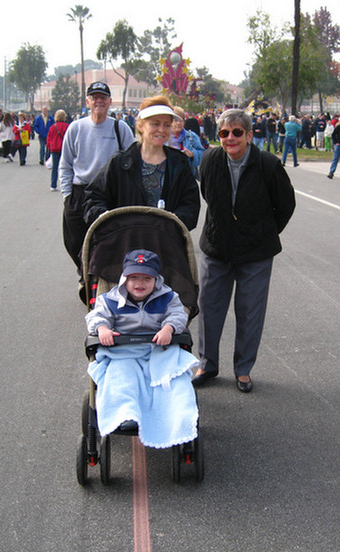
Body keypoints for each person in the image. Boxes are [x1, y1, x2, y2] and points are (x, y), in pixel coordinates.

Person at [192, 108, 296, 393]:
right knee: (210, 308)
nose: (230, 138)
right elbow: (209, 197)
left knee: (250, 312)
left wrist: (262, 234)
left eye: (237, 132)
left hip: (255, 254)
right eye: (224, 133)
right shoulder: (211, 159)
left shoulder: (268, 165)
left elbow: (285, 205)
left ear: (250, 136)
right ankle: (207, 363)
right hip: (216, 249)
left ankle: (243, 369)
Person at [86, 249, 198, 447]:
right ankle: (126, 413)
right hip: (123, 353)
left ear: (157, 279)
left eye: (147, 278)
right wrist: (102, 328)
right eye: (134, 277)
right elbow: (96, 316)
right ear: (124, 279)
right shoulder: (110, 300)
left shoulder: (168, 298)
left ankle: (175, 416)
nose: (140, 283)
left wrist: (169, 328)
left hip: (158, 351)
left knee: (173, 382)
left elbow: (179, 315)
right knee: (122, 379)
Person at [83, 96, 199, 230]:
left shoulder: (179, 163)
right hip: (126, 244)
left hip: (166, 244)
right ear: (140, 126)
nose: (161, 130)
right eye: (155, 124)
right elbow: (93, 199)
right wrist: (108, 219)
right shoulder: (120, 163)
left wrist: (177, 219)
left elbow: (191, 204)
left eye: (167, 125)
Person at [60, 81, 135, 286]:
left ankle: (96, 281)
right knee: (74, 240)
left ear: (110, 102)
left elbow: (133, 162)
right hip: (79, 192)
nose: (99, 101)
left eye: (103, 97)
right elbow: (65, 165)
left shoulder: (121, 129)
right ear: (87, 101)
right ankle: (85, 272)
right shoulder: (76, 128)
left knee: (107, 241)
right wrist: (67, 196)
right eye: (94, 97)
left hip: (108, 193)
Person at [169, 106, 205, 179]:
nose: (178, 123)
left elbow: (203, 154)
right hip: (168, 177)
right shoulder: (164, 137)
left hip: (187, 178)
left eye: (181, 120)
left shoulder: (191, 136)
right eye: (175, 120)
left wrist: (193, 154)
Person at [46, 109, 69, 191]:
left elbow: (48, 138)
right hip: (64, 149)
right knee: (65, 168)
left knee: (55, 168)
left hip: (54, 149)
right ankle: (65, 185)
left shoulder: (52, 127)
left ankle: (53, 185)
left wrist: (49, 147)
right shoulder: (66, 126)